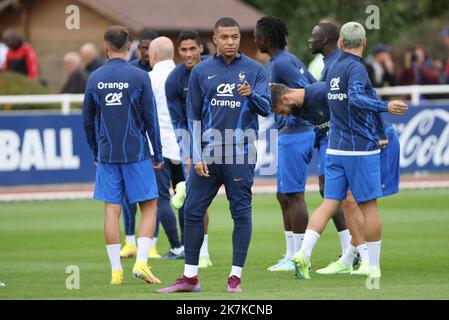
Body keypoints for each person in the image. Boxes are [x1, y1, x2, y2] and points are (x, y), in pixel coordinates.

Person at [157, 17, 271, 293]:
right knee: (193, 212)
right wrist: (194, 155)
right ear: (215, 40)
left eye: (235, 37)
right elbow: (192, 116)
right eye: (225, 37)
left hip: (241, 153)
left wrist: (251, 95)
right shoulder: (201, 70)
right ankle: (190, 278)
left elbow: (267, 108)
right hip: (207, 154)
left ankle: (235, 277)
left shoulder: (255, 70)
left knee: (241, 213)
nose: (230, 42)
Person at [290, 22, 407, 280]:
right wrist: (386, 108)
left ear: (341, 43)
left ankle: (303, 253)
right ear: (363, 42)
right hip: (359, 150)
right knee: (368, 207)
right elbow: (356, 98)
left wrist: (378, 128)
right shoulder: (356, 68)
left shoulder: (331, 67)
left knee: (330, 203)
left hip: (335, 148)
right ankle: (372, 266)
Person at [270, 81, 400, 276]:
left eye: (282, 111)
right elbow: (325, 128)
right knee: (347, 201)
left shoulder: (322, 91)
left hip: (377, 141)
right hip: (351, 147)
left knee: (361, 202)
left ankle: (367, 262)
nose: (285, 116)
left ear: (286, 98)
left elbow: (368, 93)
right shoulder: (301, 111)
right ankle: (350, 259)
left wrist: (380, 131)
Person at [82, 25, 164, 285]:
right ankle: (141, 262)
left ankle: (116, 272)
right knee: (149, 206)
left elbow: (87, 120)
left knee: (111, 210)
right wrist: (158, 153)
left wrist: (96, 150)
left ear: (105, 47)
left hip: (108, 154)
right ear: (129, 46)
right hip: (137, 152)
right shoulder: (140, 76)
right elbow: (151, 118)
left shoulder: (94, 78)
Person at [254, 16, 317, 272]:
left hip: (296, 132)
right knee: (284, 195)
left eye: (256, 36)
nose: (255, 39)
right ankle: (291, 254)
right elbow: (315, 84)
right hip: (291, 132)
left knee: (294, 194)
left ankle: (301, 258)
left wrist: (293, 117)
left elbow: (307, 92)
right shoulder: (286, 60)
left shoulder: (281, 64)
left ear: (265, 39)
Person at [165, 28, 213, 268]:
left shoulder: (214, 70)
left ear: (201, 48)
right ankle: (203, 252)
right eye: (183, 50)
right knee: (197, 201)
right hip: (195, 144)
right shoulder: (174, 80)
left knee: (239, 203)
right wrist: (188, 152)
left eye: (192, 48)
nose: (188, 54)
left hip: (224, 140)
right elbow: (179, 122)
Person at [307, 22, 354, 262]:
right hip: (329, 136)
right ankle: (351, 250)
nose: (309, 40)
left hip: (343, 139)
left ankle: (356, 251)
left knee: (340, 195)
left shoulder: (339, 65)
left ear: (325, 40)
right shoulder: (328, 65)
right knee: (333, 193)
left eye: (313, 36)